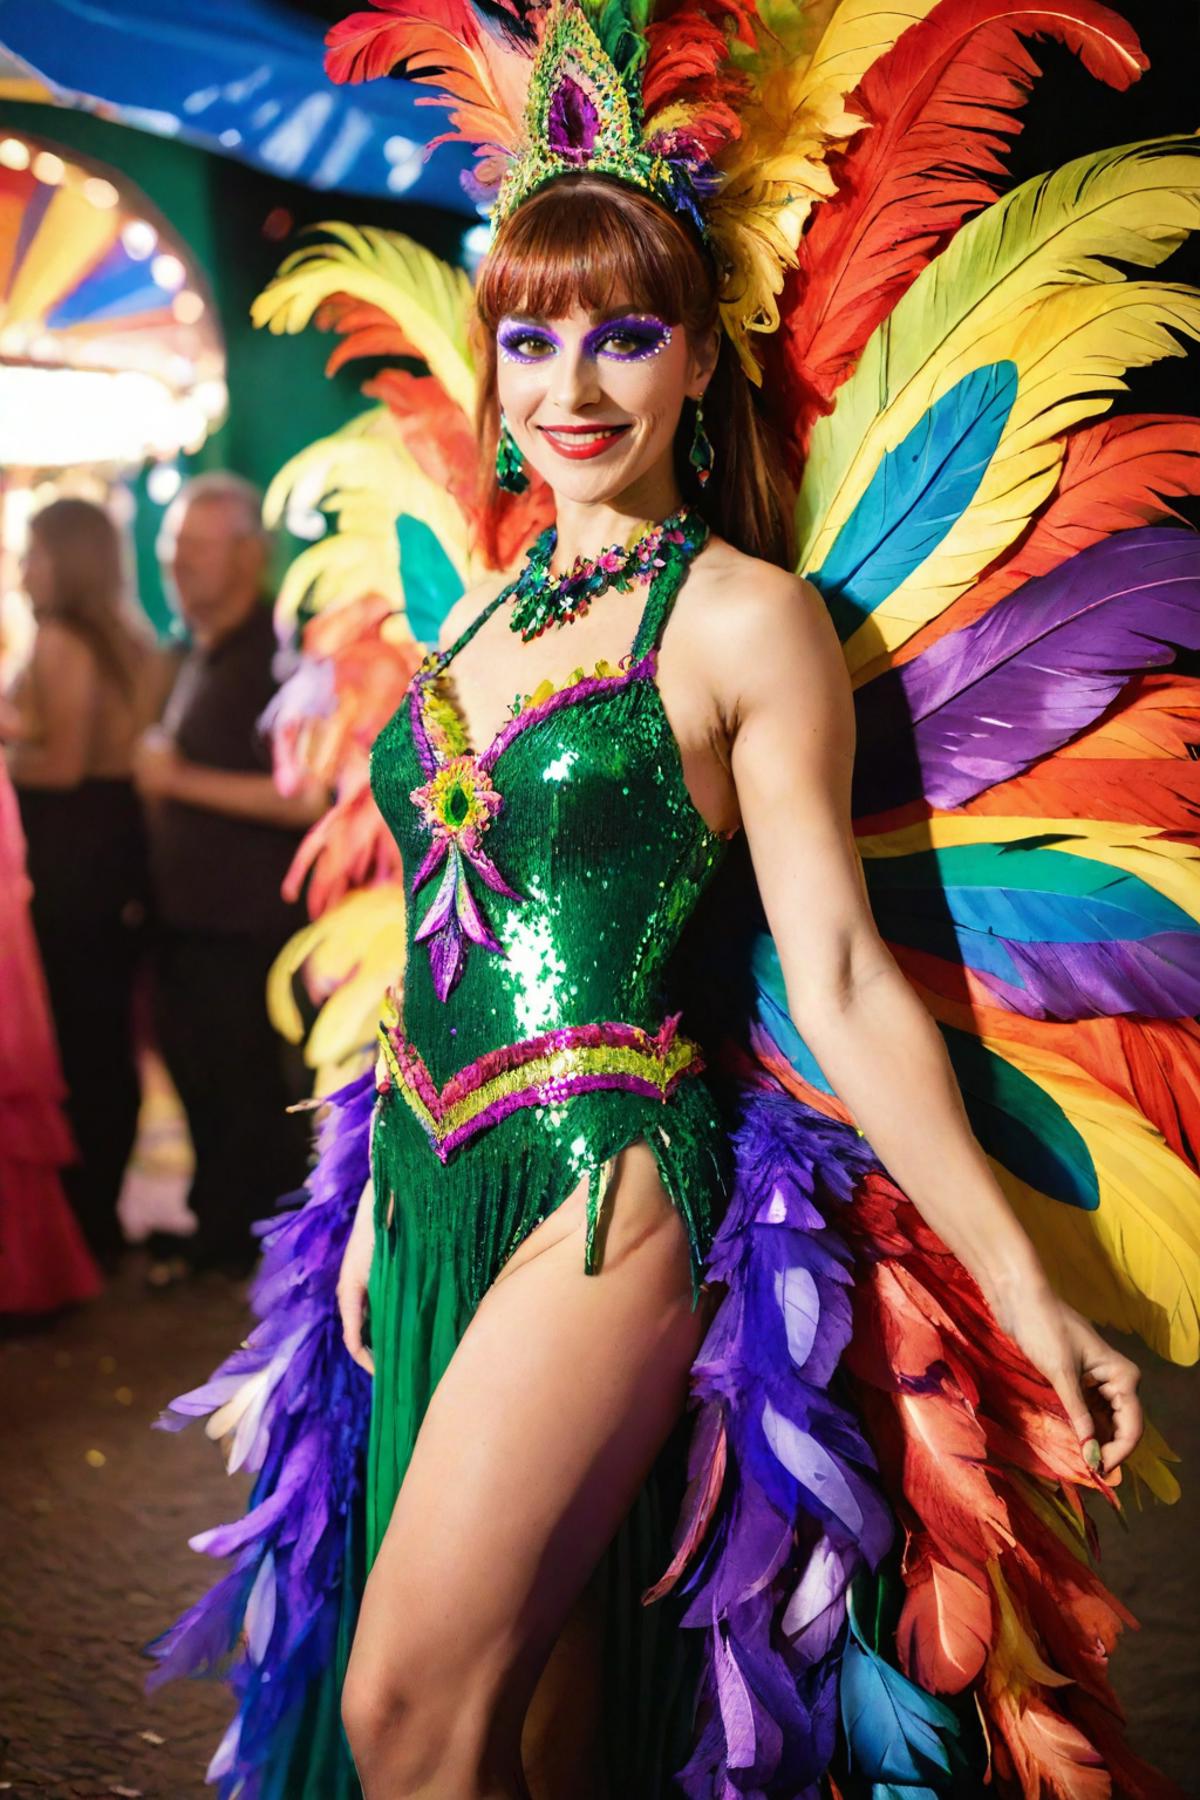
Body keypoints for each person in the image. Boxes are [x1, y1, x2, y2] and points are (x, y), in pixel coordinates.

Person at [155, 3, 1200, 1796]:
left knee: (405, 1709)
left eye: (625, 336)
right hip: (428, 1188)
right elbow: (437, 932)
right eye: (534, 338)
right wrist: (370, 1205)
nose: (573, 388)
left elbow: (842, 976)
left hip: (602, 1197)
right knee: (535, 1722)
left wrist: (1028, 1294)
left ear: (702, 361)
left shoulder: (741, 621)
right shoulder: (473, 618)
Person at [135, 474, 324, 1278]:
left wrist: (178, 782)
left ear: (250, 555)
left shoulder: (281, 653)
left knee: (254, 1098)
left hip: (250, 926)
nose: (176, 564)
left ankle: (265, 1253)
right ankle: (217, 1231)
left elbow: (307, 796)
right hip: (189, 919)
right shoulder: (198, 647)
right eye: (170, 548)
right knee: (204, 1085)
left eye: (195, 548)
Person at [4, 496, 165, 1265]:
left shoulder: (64, 640)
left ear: (66, 560)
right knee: (102, 1039)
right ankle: (93, 1217)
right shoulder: (124, 641)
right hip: (109, 850)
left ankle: (83, 1223)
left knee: (79, 1042)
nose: (23, 568)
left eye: (33, 552)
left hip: (74, 858)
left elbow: (64, 765)